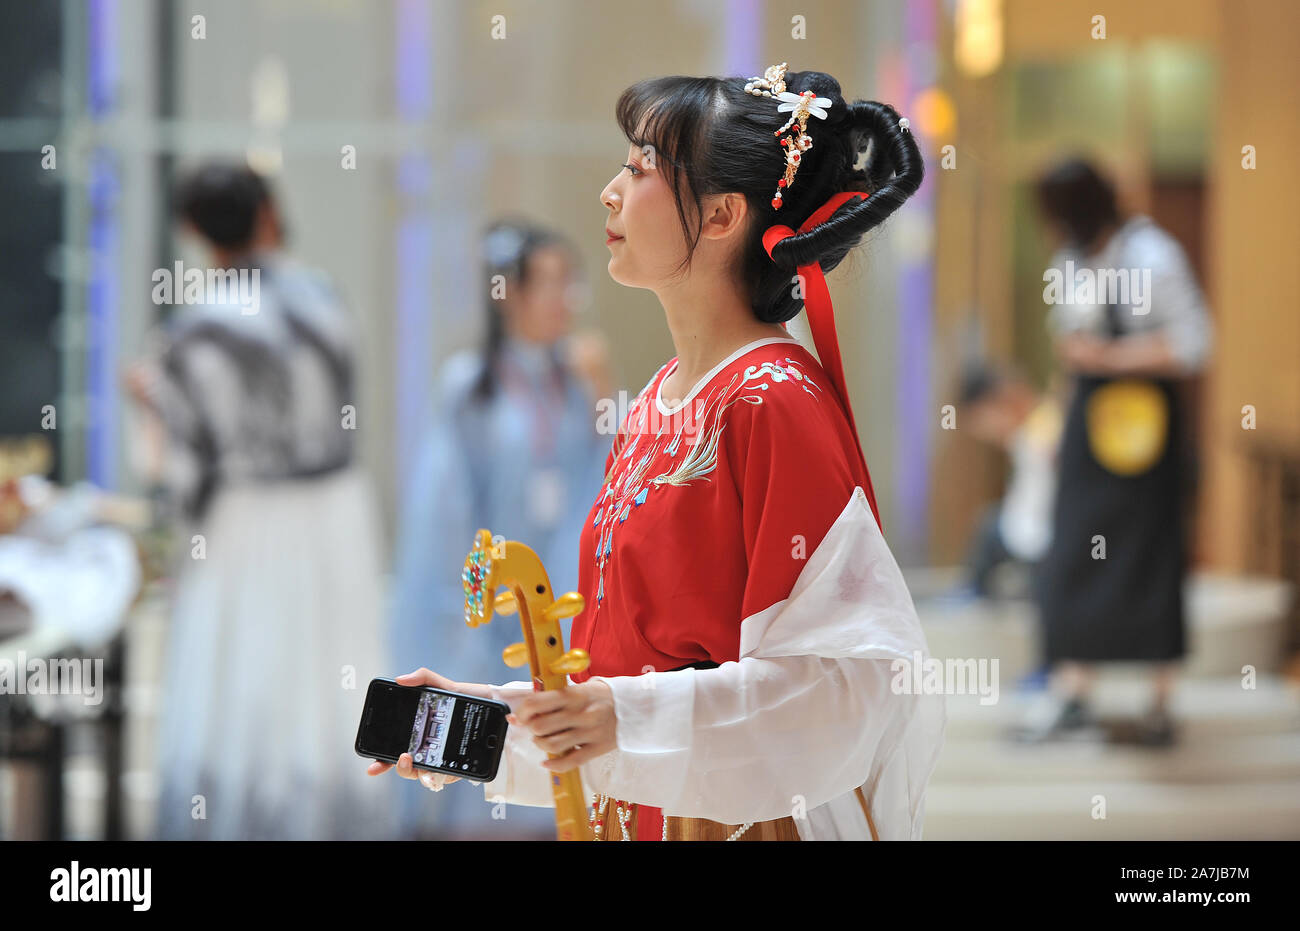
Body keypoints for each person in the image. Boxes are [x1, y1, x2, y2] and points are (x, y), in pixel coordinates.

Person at [370, 64, 946, 841]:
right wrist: (496, 726)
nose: (609, 192)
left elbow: (847, 687)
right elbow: (617, 692)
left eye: (639, 170)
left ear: (720, 217)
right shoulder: (657, 401)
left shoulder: (771, 399)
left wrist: (619, 715)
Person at [126, 163, 395, 838]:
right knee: (332, 679)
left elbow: (180, 471)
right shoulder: (326, 301)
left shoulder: (192, 331)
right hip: (335, 510)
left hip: (247, 518)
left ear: (193, 231)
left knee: (242, 676)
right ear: (269, 212)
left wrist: (150, 406)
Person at [386, 219, 609, 839]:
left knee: (560, 758)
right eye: (552, 284)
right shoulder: (470, 387)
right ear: (508, 293)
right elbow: (445, 513)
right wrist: (462, 607)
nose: (567, 299)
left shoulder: (577, 377)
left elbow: (600, 488)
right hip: (489, 609)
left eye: (572, 283)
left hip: (558, 598)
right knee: (488, 754)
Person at [1018, 158, 1213, 746]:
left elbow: (1196, 343)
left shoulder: (1154, 253)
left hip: (1147, 430)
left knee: (1152, 556)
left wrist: (1110, 360)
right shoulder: (1070, 260)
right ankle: (1071, 693)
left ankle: (1160, 702)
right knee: (1074, 553)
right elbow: (1069, 352)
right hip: (1087, 428)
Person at [957, 364, 1061, 599]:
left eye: (986, 422)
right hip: (1031, 534)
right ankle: (972, 593)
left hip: (1046, 539)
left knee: (989, 527)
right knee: (990, 526)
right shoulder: (1028, 433)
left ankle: (971, 594)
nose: (993, 436)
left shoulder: (1044, 430)